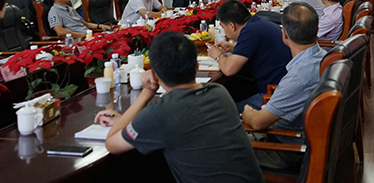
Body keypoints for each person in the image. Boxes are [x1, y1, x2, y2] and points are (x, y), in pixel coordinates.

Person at [95, 31, 264, 183]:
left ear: (154, 74)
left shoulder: (159, 113)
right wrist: (132, 122)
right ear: (197, 67)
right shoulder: (219, 92)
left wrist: (147, 91)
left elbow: (112, 144)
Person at [242, 2, 327, 169]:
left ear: (284, 35)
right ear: (316, 30)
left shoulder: (299, 77)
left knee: (220, 142)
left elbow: (258, 122)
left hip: (286, 148)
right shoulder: (323, 56)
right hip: (303, 135)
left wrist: (247, 112)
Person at [206, 0, 291, 111]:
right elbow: (258, 49)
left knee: (222, 112)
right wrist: (234, 48)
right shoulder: (257, 23)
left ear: (231, 25)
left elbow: (228, 69)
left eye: (223, 27)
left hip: (273, 96)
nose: (225, 32)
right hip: (283, 87)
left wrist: (218, 55)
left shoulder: (249, 32)